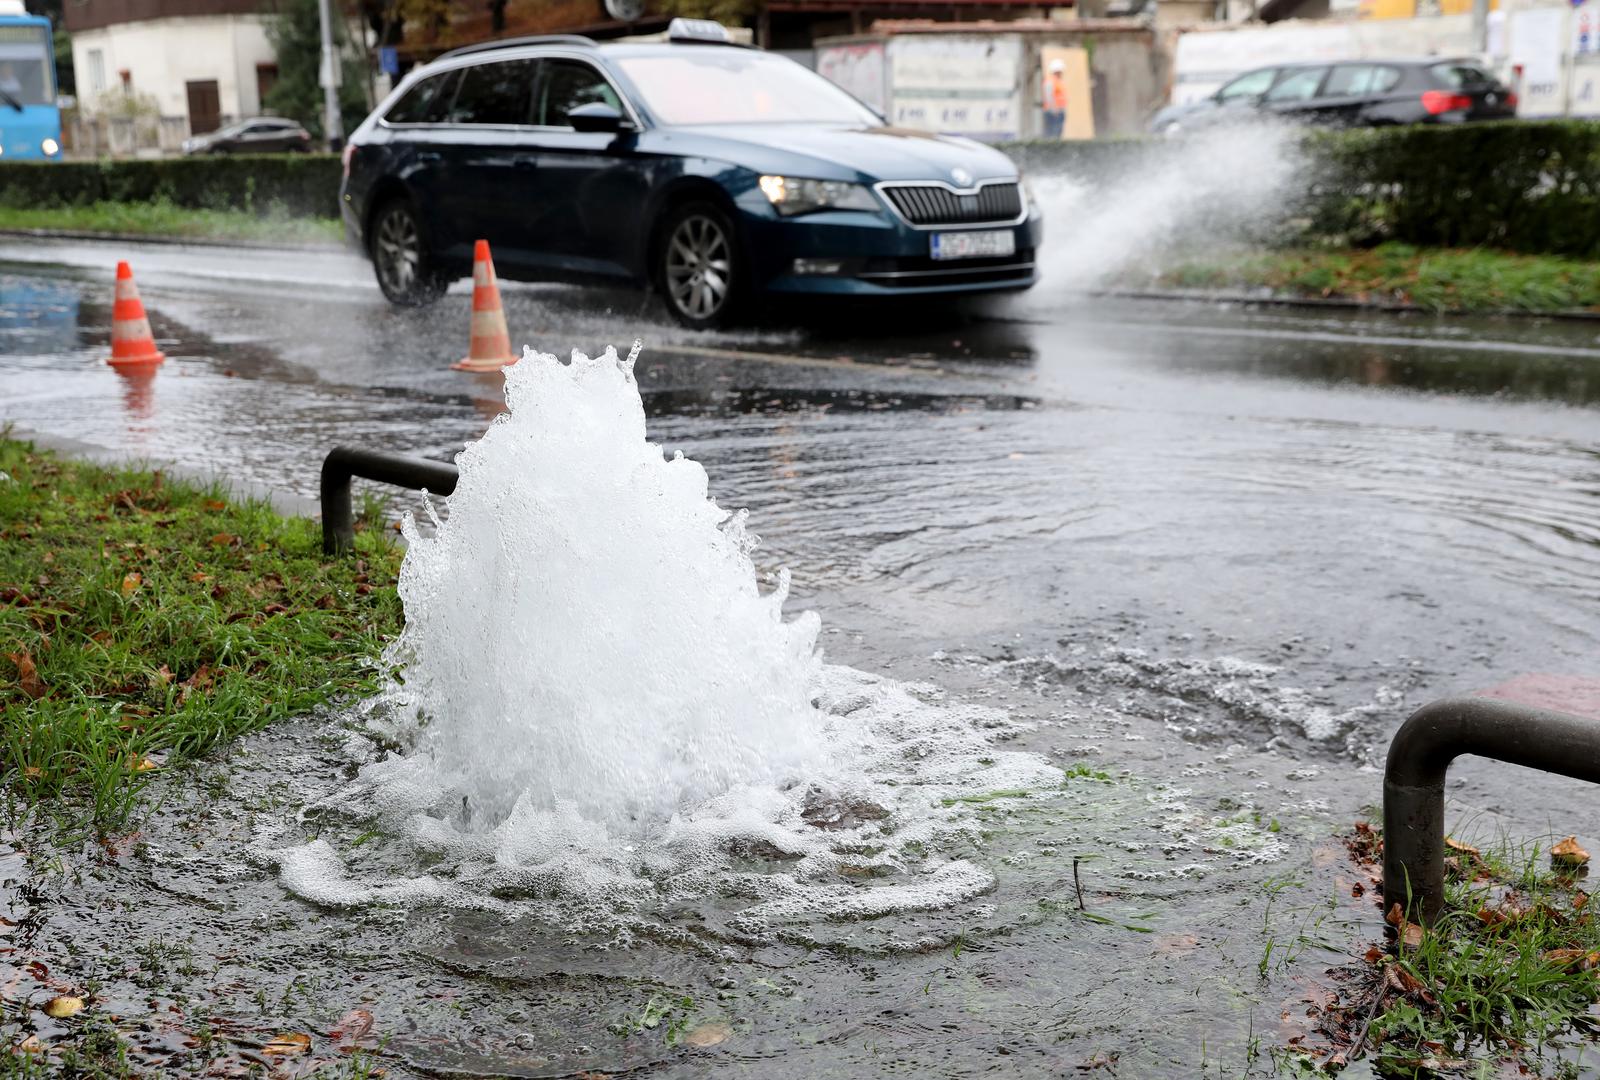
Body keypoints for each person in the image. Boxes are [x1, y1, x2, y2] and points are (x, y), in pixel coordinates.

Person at [1042, 58, 1067, 139]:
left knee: (1058, 132)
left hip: (1059, 110)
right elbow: (1049, 96)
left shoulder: (1057, 81)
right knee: (1052, 133)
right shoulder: (1050, 81)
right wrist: (1054, 109)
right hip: (1053, 111)